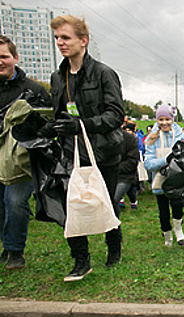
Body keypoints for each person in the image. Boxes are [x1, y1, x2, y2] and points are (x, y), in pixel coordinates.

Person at [37, 15, 126, 281]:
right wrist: (47, 129)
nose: (60, 43)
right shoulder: (57, 77)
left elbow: (115, 115)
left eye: (65, 37)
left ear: (83, 41)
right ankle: (81, 260)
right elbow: (60, 115)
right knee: (71, 204)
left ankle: (114, 246)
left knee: (106, 201)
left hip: (103, 151)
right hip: (70, 152)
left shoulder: (103, 74)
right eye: (56, 38)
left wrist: (82, 125)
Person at [0, 35, 52, 270]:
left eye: (4, 56)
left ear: (15, 58)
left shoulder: (33, 89)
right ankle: (6, 245)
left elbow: (48, 123)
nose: (0, 62)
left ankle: (15, 250)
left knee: (15, 202)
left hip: (20, 158)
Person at [144, 104, 184, 247]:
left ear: (172, 119)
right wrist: (166, 160)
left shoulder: (181, 136)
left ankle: (178, 229)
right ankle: (167, 236)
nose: (164, 123)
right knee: (163, 212)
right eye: (160, 119)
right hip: (160, 180)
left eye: (167, 119)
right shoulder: (152, 139)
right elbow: (148, 164)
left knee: (177, 206)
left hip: (176, 179)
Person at [115, 124, 139, 210]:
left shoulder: (129, 139)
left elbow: (132, 162)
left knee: (114, 199)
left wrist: (114, 168)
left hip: (125, 176)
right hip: (103, 176)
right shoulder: (100, 137)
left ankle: (133, 202)